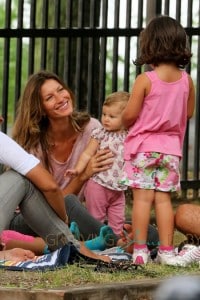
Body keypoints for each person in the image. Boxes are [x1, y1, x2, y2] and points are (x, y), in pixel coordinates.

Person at [10, 70, 159, 251]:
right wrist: (84, 174)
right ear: (39, 109)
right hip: (31, 220)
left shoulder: (93, 129)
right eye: (50, 97)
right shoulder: (32, 145)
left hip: (74, 218)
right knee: (70, 202)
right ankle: (115, 244)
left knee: (148, 231)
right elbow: (50, 203)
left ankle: (105, 240)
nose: (60, 98)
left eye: (60, 89)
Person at [121, 15, 195, 265]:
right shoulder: (187, 81)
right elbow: (188, 113)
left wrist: (122, 118)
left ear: (150, 44)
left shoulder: (145, 80)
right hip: (171, 150)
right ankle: (167, 251)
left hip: (143, 148)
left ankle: (140, 251)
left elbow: (130, 116)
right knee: (163, 200)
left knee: (142, 199)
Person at [0, 126, 111, 262]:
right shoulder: (31, 141)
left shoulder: (87, 128)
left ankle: (73, 247)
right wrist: (64, 219)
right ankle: (73, 248)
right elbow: (50, 187)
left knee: (66, 201)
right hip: (16, 219)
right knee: (23, 180)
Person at [66, 91, 130, 235]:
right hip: (98, 186)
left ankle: (115, 243)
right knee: (96, 218)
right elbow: (87, 154)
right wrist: (77, 170)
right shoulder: (100, 133)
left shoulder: (129, 136)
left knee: (118, 219)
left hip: (118, 189)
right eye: (104, 114)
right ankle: (95, 241)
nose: (106, 119)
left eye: (112, 116)